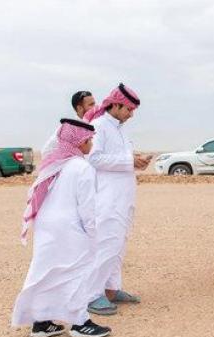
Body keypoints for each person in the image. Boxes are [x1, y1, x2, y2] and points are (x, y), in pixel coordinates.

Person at [13, 118, 111, 337]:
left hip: (46, 225)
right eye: (89, 139)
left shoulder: (53, 163)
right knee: (78, 272)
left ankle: (41, 322)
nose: (92, 143)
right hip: (70, 227)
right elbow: (87, 208)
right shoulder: (82, 167)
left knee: (47, 272)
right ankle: (80, 323)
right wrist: (93, 235)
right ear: (80, 141)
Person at [85, 83, 150, 315]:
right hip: (108, 197)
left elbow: (120, 157)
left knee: (118, 244)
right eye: (128, 110)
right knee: (106, 243)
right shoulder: (98, 126)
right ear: (115, 104)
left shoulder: (119, 129)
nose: (130, 115)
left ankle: (112, 289)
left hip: (124, 196)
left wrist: (136, 160)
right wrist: (128, 162)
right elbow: (94, 158)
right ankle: (92, 295)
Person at [41, 91, 96, 159]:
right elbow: (46, 152)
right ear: (79, 108)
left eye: (94, 104)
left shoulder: (92, 124)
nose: (95, 107)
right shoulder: (69, 128)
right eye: (91, 104)